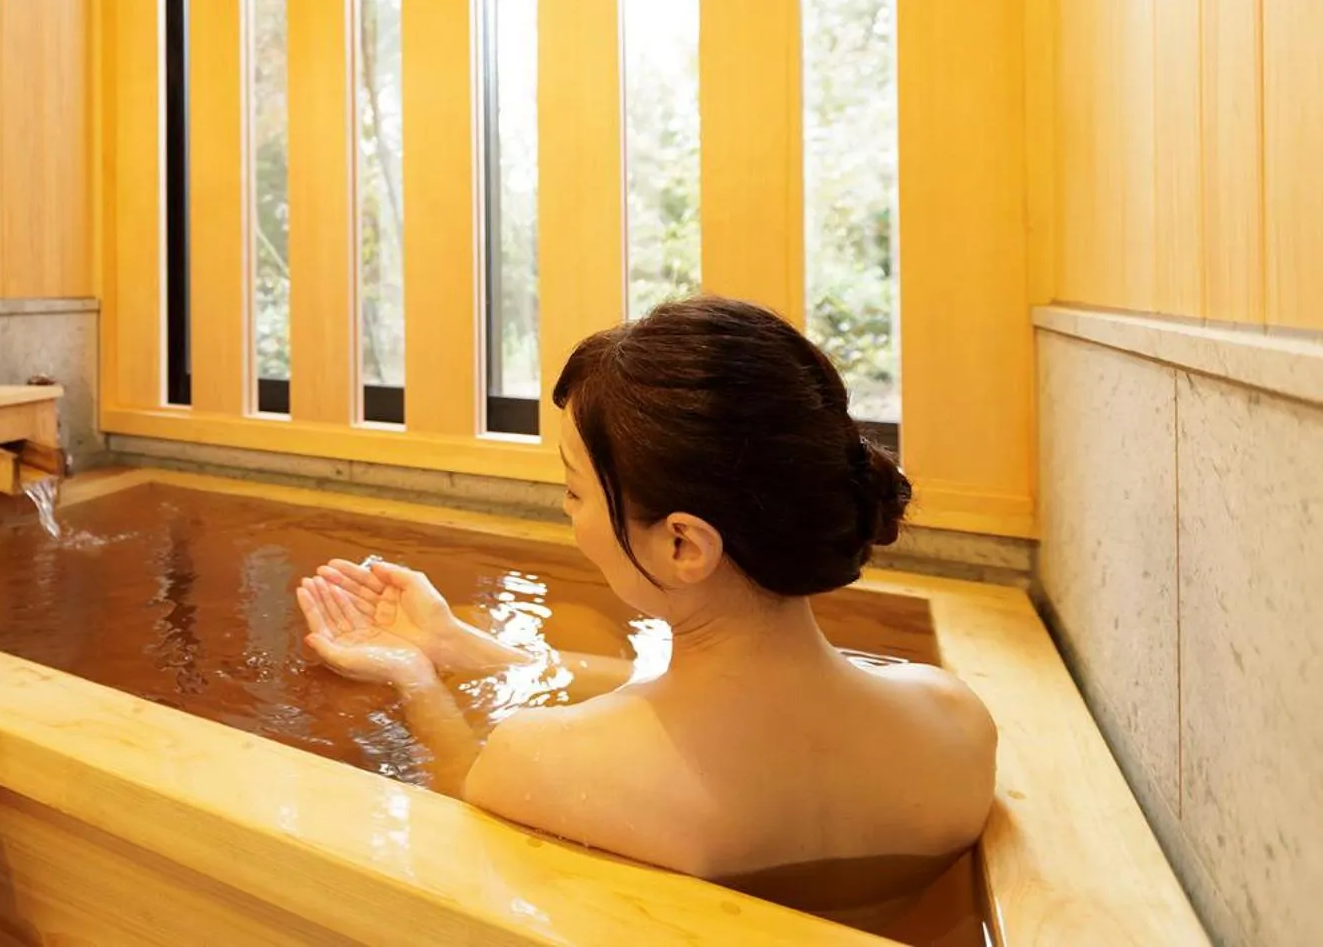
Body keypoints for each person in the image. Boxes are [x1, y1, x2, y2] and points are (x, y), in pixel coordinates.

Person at [295, 296, 997, 929]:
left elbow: (465, 811)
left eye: (575, 492)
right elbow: (693, 696)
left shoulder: (551, 761)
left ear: (683, 543)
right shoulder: (955, 722)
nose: (569, 514)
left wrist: (415, 678)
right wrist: (465, 647)